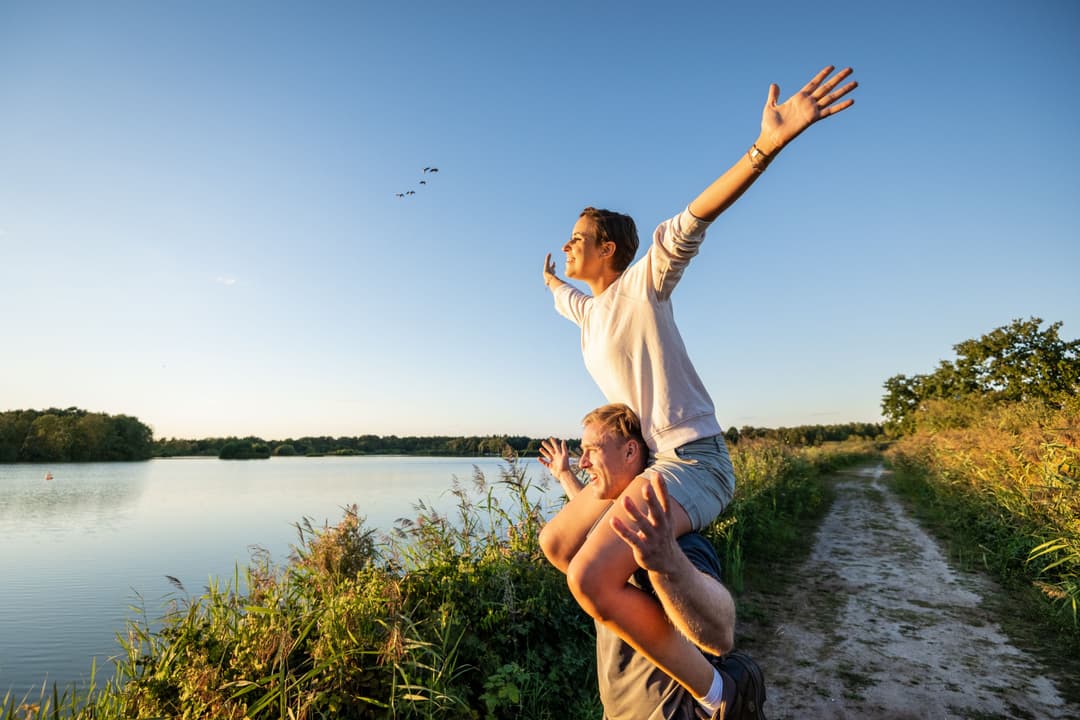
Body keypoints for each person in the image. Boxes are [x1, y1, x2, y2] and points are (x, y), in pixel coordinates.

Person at [540, 66, 856, 713]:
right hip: (652, 465)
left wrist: (766, 146)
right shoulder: (589, 312)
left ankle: (717, 694)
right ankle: (644, 612)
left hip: (693, 459)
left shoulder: (642, 283)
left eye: (576, 238)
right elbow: (565, 299)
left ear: (609, 249)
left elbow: (696, 216)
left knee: (591, 578)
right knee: (555, 544)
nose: (567, 245)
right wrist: (550, 282)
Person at [539, 404, 766, 719]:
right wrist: (564, 475)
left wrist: (668, 562)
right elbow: (575, 536)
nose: (583, 462)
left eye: (592, 450)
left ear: (631, 451)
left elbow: (720, 631)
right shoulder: (610, 542)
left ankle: (719, 692)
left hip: (668, 711)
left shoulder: (672, 540)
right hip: (619, 710)